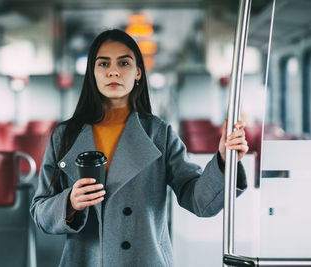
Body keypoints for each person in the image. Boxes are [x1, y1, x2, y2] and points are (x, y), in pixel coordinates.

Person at [30, 29, 248, 267]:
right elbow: (40, 211)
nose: (113, 71)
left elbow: (199, 201)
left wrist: (224, 161)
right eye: (103, 63)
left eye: (124, 62)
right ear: (92, 73)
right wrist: (69, 202)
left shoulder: (158, 133)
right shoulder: (64, 136)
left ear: (138, 73)